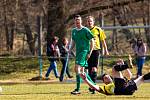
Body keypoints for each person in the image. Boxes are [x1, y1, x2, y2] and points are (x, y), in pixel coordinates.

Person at [80, 58, 150, 95]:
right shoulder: (104, 88)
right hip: (119, 90)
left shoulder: (115, 80)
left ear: (111, 78)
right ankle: (127, 65)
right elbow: (94, 87)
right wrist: (86, 79)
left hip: (128, 89)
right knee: (114, 68)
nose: (107, 77)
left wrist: (125, 67)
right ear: (104, 82)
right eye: (105, 78)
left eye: (108, 76)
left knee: (142, 78)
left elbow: (129, 76)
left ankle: (126, 66)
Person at [69, 15, 95, 95]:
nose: (77, 21)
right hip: (78, 52)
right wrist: (70, 49)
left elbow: (92, 41)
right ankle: (93, 86)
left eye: (79, 20)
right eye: (76, 20)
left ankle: (77, 89)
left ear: (81, 21)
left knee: (77, 69)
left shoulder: (85, 30)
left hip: (84, 52)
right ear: (74, 21)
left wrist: (89, 52)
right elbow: (73, 41)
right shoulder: (73, 31)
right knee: (82, 72)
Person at [86, 16, 109, 94]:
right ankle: (91, 86)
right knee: (89, 70)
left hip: (96, 51)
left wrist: (106, 50)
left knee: (94, 68)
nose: (89, 23)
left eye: (91, 21)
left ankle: (93, 86)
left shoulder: (98, 30)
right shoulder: (85, 30)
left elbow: (103, 41)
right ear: (86, 22)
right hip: (88, 51)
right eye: (88, 21)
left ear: (93, 22)